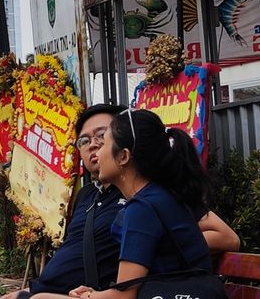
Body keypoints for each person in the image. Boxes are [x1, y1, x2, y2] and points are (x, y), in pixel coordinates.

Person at [20, 106, 238, 299]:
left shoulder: (142, 208)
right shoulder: (157, 197)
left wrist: (89, 296)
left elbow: (123, 297)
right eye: (85, 141)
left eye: (103, 142)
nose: (96, 150)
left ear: (123, 157)